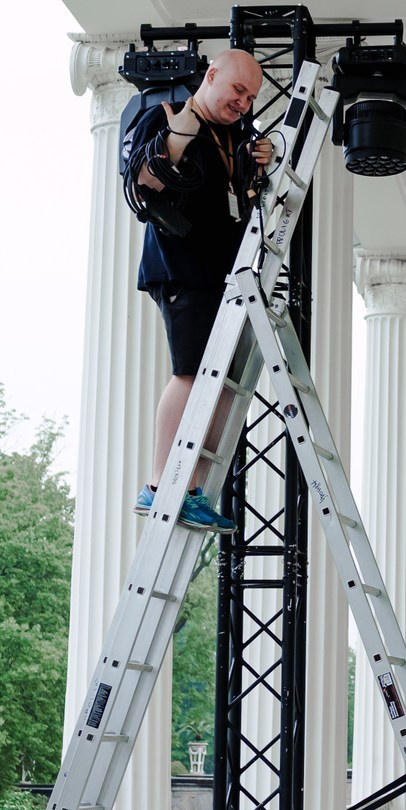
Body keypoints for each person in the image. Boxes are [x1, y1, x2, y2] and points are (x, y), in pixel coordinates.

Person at [126, 48, 279, 530]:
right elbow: (143, 183)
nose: (243, 103)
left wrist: (264, 162)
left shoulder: (236, 136)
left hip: (224, 275)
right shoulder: (167, 116)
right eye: (237, 90)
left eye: (251, 97)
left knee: (227, 387)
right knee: (191, 373)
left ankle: (192, 487)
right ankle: (158, 486)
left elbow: (243, 199)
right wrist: (176, 139)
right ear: (211, 75)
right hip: (182, 268)